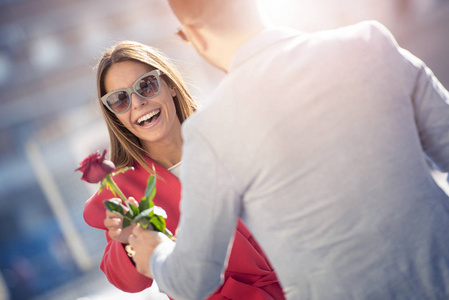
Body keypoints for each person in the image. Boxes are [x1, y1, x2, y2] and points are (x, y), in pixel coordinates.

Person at [127, 0, 449, 299]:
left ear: (195, 35)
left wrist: (154, 251)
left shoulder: (210, 132)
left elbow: (192, 280)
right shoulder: (370, 42)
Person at [82, 40, 285, 300]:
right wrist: (128, 243)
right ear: (115, 117)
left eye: (146, 85)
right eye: (120, 99)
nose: (137, 103)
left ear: (169, 85)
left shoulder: (232, 133)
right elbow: (127, 281)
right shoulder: (125, 191)